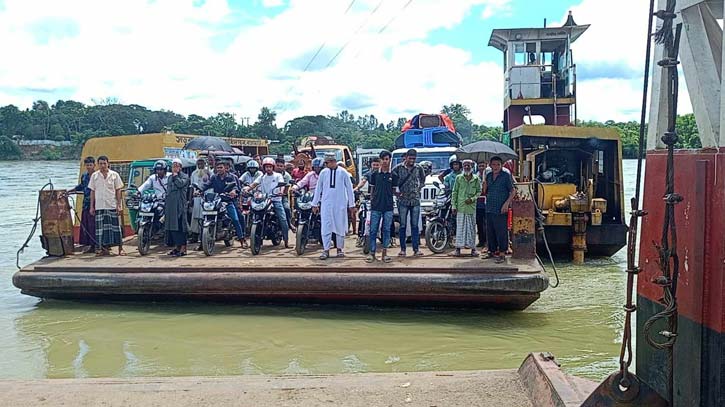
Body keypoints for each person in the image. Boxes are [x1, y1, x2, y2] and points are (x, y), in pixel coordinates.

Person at [312, 154, 355, 259]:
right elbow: (318, 189)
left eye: (330, 162)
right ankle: (326, 250)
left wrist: (352, 204)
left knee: (340, 226)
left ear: (334, 161)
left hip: (340, 204)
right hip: (326, 204)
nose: (328, 164)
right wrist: (314, 203)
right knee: (326, 226)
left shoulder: (343, 172)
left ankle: (339, 249)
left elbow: (349, 189)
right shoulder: (323, 173)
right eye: (327, 163)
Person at [201, 161, 246, 248]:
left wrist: (233, 191)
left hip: (228, 200)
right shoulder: (214, 177)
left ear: (225, 168)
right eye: (218, 168)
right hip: (216, 200)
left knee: (235, 219)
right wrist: (199, 190)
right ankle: (202, 243)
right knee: (204, 218)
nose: (219, 169)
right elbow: (207, 185)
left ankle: (242, 239)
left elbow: (235, 187)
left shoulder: (231, 177)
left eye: (221, 167)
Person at [88, 155, 125, 256]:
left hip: (111, 205)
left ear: (108, 164)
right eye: (100, 164)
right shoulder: (95, 176)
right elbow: (92, 191)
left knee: (116, 228)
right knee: (100, 229)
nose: (103, 165)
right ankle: (101, 249)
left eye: (104, 163)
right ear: (98, 164)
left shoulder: (114, 175)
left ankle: (120, 248)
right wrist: (92, 206)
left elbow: (118, 190)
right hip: (100, 206)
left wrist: (119, 205)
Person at [391, 148, 426, 257]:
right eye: (410, 158)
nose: (412, 160)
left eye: (414, 158)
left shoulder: (419, 168)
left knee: (415, 226)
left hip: (415, 200)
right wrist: (396, 193)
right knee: (402, 225)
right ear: (406, 157)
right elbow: (392, 182)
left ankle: (416, 249)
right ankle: (403, 249)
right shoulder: (397, 169)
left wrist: (418, 189)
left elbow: (423, 180)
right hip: (402, 200)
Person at [366, 150, 397, 263]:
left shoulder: (393, 175)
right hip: (376, 207)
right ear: (380, 160)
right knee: (373, 230)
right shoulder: (374, 175)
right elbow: (372, 190)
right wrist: (372, 201)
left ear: (389, 160)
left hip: (388, 207)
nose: (385, 161)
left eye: (387, 159)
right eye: (383, 159)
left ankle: (385, 254)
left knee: (386, 230)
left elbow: (394, 191)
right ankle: (372, 253)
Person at [482, 156, 515, 263]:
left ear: (501, 165)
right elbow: (485, 191)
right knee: (490, 230)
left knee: (501, 231)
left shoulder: (506, 175)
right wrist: (484, 184)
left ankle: (502, 253)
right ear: (490, 165)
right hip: (490, 206)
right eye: (493, 164)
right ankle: (491, 251)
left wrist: (506, 204)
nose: (496, 167)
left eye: (498, 164)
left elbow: (513, 191)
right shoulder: (488, 175)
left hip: (501, 207)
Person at [251, 157, 290, 247]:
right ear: (264, 168)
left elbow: (282, 184)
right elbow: (254, 184)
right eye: (266, 167)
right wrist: (247, 189)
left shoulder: (278, 176)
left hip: (276, 200)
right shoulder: (262, 177)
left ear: (273, 167)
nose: (268, 168)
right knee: (256, 212)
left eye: (270, 167)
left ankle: (286, 239)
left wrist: (281, 191)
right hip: (264, 200)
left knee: (282, 218)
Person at [451, 160, 481, 257]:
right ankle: (458, 249)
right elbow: (454, 192)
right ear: (462, 167)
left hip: (471, 208)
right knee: (460, 229)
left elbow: (479, 192)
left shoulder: (476, 179)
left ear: (472, 166)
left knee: (472, 228)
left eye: (468, 165)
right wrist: (454, 206)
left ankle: (473, 249)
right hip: (461, 207)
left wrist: (472, 199)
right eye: (465, 165)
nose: (467, 167)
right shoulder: (459, 178)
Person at [67, 156, 97, 253]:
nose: (89, 167)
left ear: (94, 165)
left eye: (90, 165)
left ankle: (96, 245)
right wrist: (70, 191)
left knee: (94, 224)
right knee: (86, 224)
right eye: (87, 165)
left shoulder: (97, 176)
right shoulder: (84, 176)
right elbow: (81, 186)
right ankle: (88, 245)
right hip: (86, 203)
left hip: (96, 202)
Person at [166, 159, 190, 257]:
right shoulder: (169, 177)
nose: (175, 168)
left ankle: (183, 248)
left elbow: (180, 184)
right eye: (173, 166)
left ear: (180, 167)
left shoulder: (185, 176)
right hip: (170, 205)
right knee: (172, 227)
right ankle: (177, 247)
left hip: (179, 205)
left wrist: (176, 176)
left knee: (180, 227)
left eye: (177, 166)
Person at [190, 158, 212, 242]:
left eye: (201, 164)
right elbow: (192, 187)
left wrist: (208, 174)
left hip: (206, 198)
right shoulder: (194, 174)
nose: (200, 166)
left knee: (204, 217)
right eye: (198, 164)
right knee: (195, 217)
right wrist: (190, 198)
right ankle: (195, 235)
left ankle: (204, 236)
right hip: (196, 197)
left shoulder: (209, 173)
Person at [275, 157, 295, 233]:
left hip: (282, 197)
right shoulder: (269, 174)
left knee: (286, 208)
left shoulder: (287, 176)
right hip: (270, 197)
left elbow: (286, 189)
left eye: (281, 166)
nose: (279, 167)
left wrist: (281, 194)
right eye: (278, 165)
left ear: (284, 167)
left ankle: (289, 223)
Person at [476, 160, 488, 249]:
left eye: (483, 166)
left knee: (487, 223)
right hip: (478, 203)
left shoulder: (489, 175)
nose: (481, 168)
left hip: (487, 203)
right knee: (479, 223)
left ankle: (488, 241)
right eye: (480, 166)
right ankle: (481, 241)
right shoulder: (475, 177)